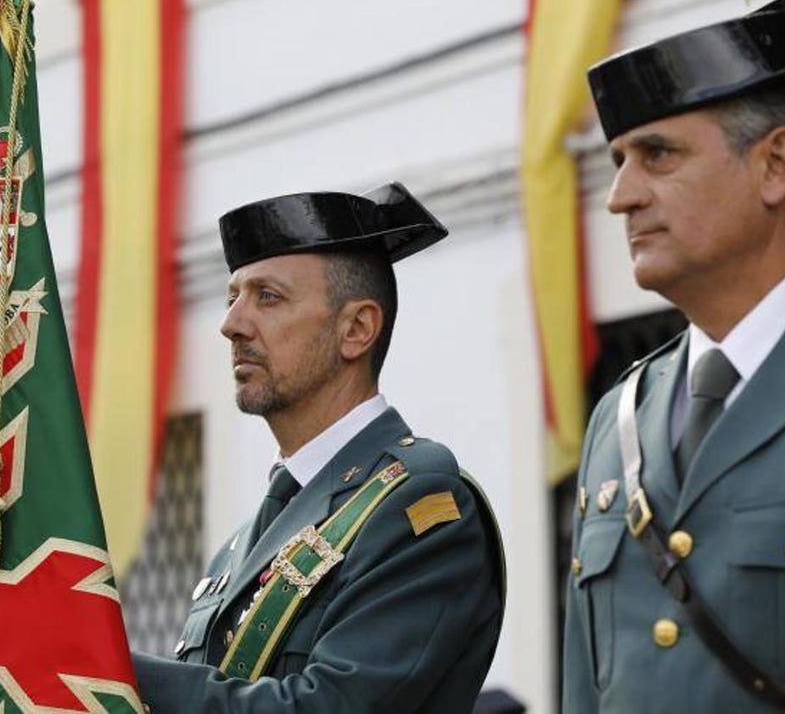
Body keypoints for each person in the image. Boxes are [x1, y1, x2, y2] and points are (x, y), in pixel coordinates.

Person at [131, 182, 505, 712]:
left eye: (268, 297)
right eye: (232, 297)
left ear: (356, 329)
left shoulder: (418, 506)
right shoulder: (246, 543)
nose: (232, 324)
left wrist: (113, 669)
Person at [563, 0, 785, 713]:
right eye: (618, 159)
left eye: (657, 155)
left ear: (776, 165)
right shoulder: (620, 417)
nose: (619, 196)